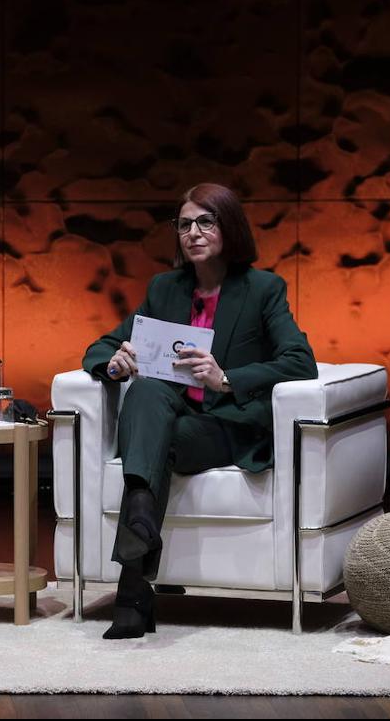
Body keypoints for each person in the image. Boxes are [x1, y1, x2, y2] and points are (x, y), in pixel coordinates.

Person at [81, 183, 316, 639]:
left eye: (205, 222)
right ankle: (139, 542)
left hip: (226, 424)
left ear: (229, 228)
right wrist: (114, 363)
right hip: (171, 418)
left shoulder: (263, 289)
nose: (193, 232)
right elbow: (102, 345)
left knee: (154, 443)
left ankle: (132, 590)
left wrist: (225, 378)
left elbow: (300, 361)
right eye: (185, 224)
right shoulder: (165, 289)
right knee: (145, 390)